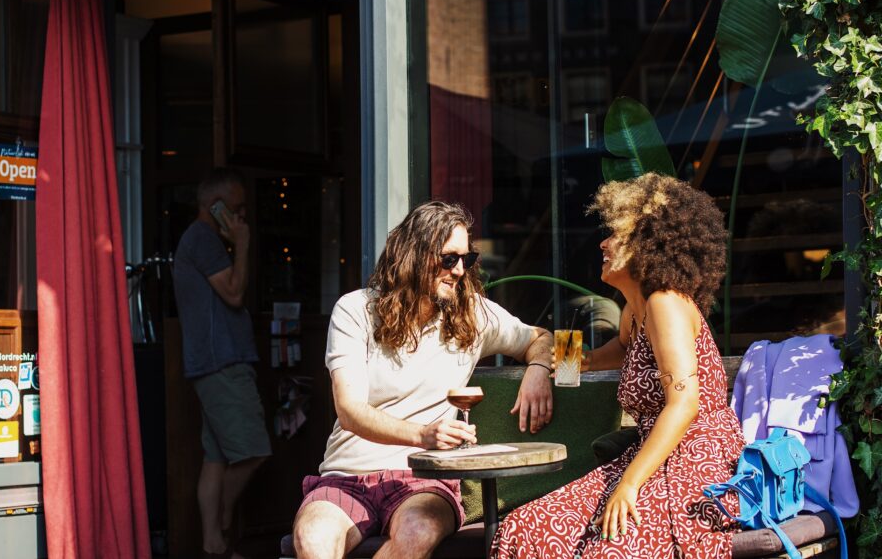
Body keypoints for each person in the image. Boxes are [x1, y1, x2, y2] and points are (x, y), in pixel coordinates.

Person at [490, 172, 746, 559]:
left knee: (606, 550)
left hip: (695, 464)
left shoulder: (666, 303)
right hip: (650, 458)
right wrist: (554, 360)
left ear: (648, 245)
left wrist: (629, 485)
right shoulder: (635, 308)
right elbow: (619, 350)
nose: (603, 243)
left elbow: (685, 404)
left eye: (616, 235)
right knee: (522, 530)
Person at [293, 201, 555, 559]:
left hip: (423, 480)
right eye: (449, 259)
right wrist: (423, 434)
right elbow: (350, 409)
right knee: (313, 538)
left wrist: (538, 371)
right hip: (347, 476)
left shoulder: (472, 313)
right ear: (413, 254)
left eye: (468, 259)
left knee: (417, 533)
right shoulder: (356, 310)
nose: (460, 270)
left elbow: (540, 338)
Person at [174, 167, 271, 559]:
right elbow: (233, 292)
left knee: (215, 458)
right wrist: (243, 244)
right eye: (235, 208)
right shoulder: (204, 239)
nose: (241, 216)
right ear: (213, 206)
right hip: (222, 362)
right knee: (255, 450)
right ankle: (223, 519)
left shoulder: (198, 240)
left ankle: (214, 544)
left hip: (211, 362)